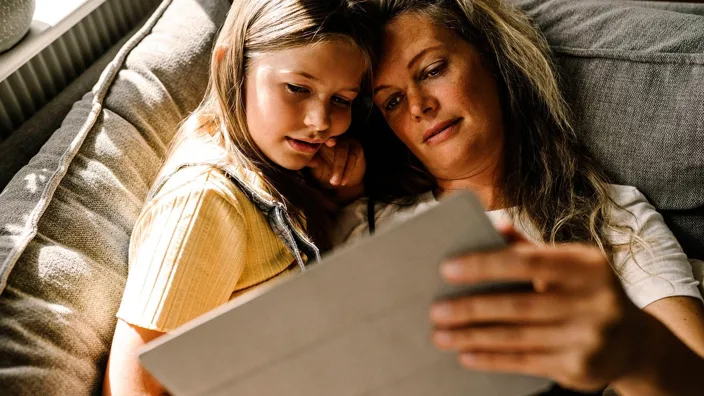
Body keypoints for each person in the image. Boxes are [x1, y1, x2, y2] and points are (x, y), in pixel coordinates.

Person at [336, 0, 704, 395]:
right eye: (391, 100)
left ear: (492, 59)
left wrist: (633, 349)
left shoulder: (610, 217)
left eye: (433, 70)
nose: (418, 106)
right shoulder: (364, 223)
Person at [102, 0, 373, 394]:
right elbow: (130, 389)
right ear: (231, 66)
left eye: (341, 100)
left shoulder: (278, 168)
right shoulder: (204, 202)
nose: (320, 122)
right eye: (298, 88)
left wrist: (346, 190)